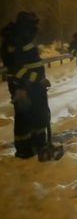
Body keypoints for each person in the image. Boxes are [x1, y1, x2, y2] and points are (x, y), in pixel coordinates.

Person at [0, 12, 50, 159]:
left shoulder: (24, 37)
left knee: (38, 114)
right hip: (21, 87)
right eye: (33, 24)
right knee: (24, 118)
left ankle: (40, 144)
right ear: (26, 24)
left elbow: (30, 62)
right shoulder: (14, 39)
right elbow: (15, 67)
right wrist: (36, 79)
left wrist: (39, 80)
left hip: (33, 85)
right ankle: (25, 150)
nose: (36, 28)